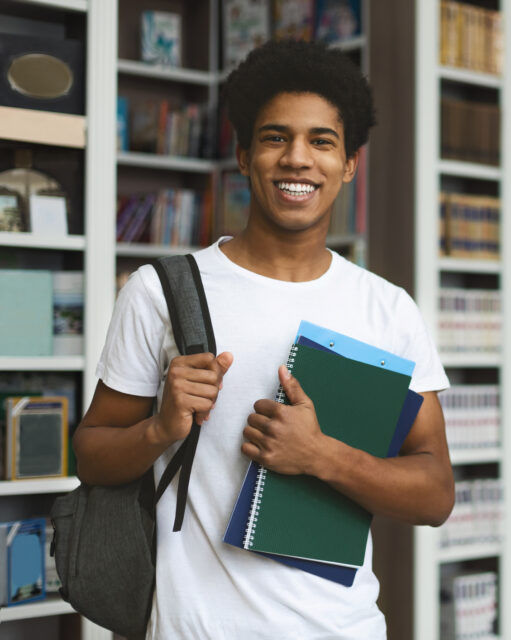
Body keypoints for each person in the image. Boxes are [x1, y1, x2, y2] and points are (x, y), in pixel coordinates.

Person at [73, 39, 454, 639]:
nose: (297, 158)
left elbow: (434, 495)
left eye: (321, 141)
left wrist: (321, 455)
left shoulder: (388, 309)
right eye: (276, 138)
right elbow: (90, 454)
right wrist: (160, 427)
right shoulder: (162, 291)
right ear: (244, 155)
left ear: (350, 162)